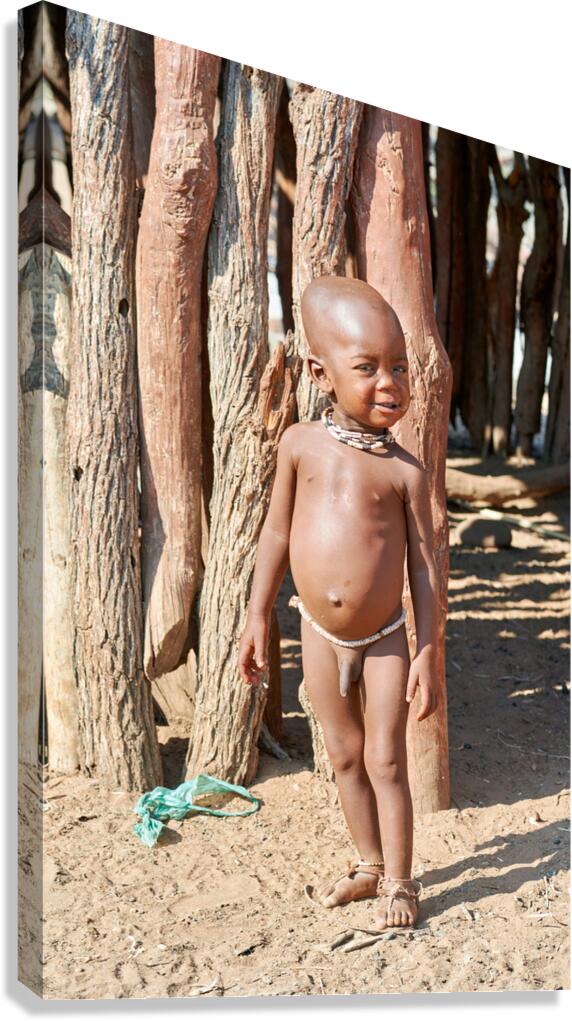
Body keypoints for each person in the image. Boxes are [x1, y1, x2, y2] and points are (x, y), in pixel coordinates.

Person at [237, 275, 441, 931]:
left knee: (386, 757)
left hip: (384, 635)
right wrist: (256, 613)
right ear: (320, 372)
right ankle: (367, 862)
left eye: (401, 366)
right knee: (345, 754)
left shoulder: (405, 471)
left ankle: (402, 881)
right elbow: (274, 532)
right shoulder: (299, 444)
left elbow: (424, 568)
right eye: (369, 367)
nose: (391, 382)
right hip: (317, 632)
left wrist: (429, 650)